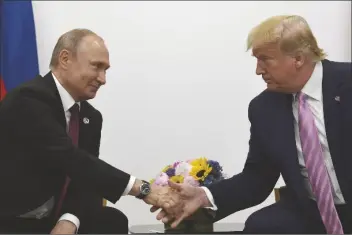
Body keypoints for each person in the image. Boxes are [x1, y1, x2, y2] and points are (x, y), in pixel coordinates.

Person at [153, 15, 352, 234]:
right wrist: (204, 196)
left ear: (298, 58)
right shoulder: (264, 107)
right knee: (261, 226)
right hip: (309, 211)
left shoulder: (347, 82)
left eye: (265, 59)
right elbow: (257, 177)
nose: (258, 70)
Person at [0, 29, 179, 234]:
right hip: (9, 220)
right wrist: (142, 189)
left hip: (50, 219)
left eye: (106, 70)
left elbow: (84, 179)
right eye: (96, 67)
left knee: (112, 220)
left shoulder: (90, 117)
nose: (102, 79)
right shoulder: (28, 99)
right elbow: (70, 158)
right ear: (65, 59)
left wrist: (69, 221)